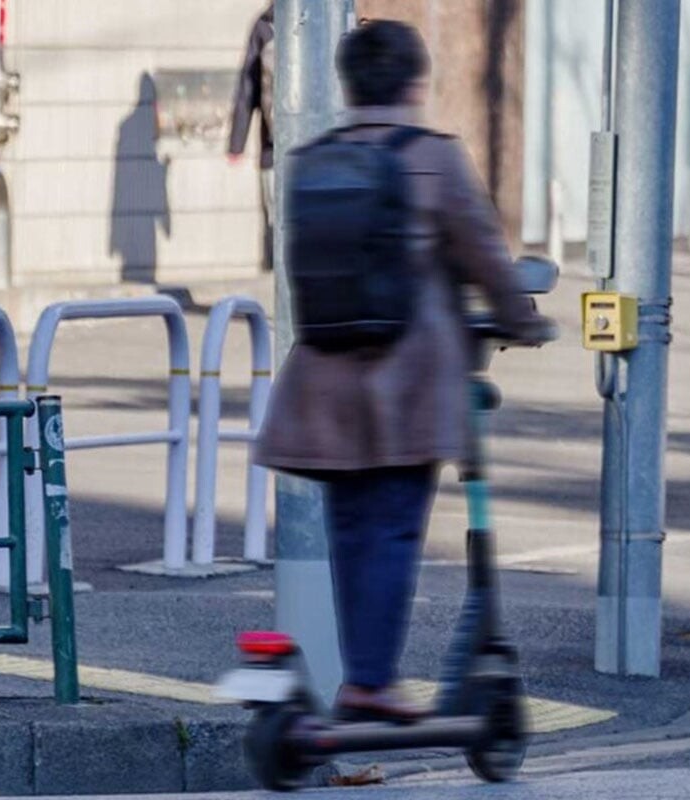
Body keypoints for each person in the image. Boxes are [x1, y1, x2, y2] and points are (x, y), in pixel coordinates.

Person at [255, 20, 543, 722]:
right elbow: (485, 257)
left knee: (352, 533)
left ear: (348, 85)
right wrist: (524, 320)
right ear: (415, 84)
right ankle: (370, 682)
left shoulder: (310, 160)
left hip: (322, 384)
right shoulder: (433, 158)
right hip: (404, 388)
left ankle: (362, 675)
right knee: (393, 532)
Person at [228, 3, 275, 270]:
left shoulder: (264, 24)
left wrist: (236, 144)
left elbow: (248, 88)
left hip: (272, 149)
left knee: (278, 224)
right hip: (315, 148)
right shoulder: (323, 19)